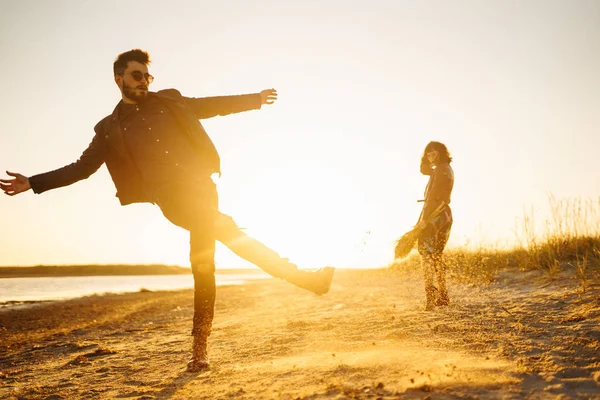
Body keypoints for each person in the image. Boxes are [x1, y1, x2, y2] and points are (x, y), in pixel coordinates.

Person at [0, 49, 334, 371]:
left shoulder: (170, 100)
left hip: (203, 189)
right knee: (224, 239)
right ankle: (301, 280)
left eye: (147, 74)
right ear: (119, 79)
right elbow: (82, 168)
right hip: (172, 201)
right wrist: (33, 182)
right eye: (136, 74)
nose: (144, 80)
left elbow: (208, 106)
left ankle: (201, 349)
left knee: (205, 264)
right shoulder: (108, 127)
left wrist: (254, 100)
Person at [415, 141, 454, 311]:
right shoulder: (445, 169)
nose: (430, 155)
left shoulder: (440, 170)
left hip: (434, 215)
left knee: (425, 254)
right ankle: (443, 295)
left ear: (441, 152)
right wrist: (427, 162)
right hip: (445, 214)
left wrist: (424, 219)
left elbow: (433, 196)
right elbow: (423, 170)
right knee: (437, 255)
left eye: (433, 152)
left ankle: (430, 299)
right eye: (428, 153)